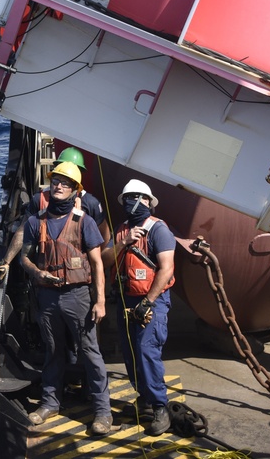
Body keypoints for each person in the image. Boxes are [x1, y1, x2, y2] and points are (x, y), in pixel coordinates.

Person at [19, 161, 113, 435]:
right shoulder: (37, 222)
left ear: (75, 191)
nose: (59, 186)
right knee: (53, 351)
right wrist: (38, 273)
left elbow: (97, 264)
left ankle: (102, 412)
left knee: (90, 353)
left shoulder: (84, 222)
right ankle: (50, 403)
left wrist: (100, 301)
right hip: (48, 297)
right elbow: (25, 257)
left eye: (66, 183)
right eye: (56, 181)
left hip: (78, 297)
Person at [103, 179, 175, 436]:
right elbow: (105, 259)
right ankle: (143, 397)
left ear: (148, 202)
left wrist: (148, 302)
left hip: (151, 301)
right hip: (126, 300)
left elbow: (166, 269)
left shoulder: (158, 230)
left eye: (139, 197)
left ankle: (160, 406)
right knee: (130, 352)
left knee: (146, 351)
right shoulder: (122, 230)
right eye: (129, 197)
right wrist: (123, 242)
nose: (134, 201)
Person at [0, 147, 111, 283]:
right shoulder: (40, 199)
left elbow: (103, 237)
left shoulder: (91, 204)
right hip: (45, 273)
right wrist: (7, 261)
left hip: (79, 279)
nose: (61, 184)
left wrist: (94, 269)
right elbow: (23, 231)